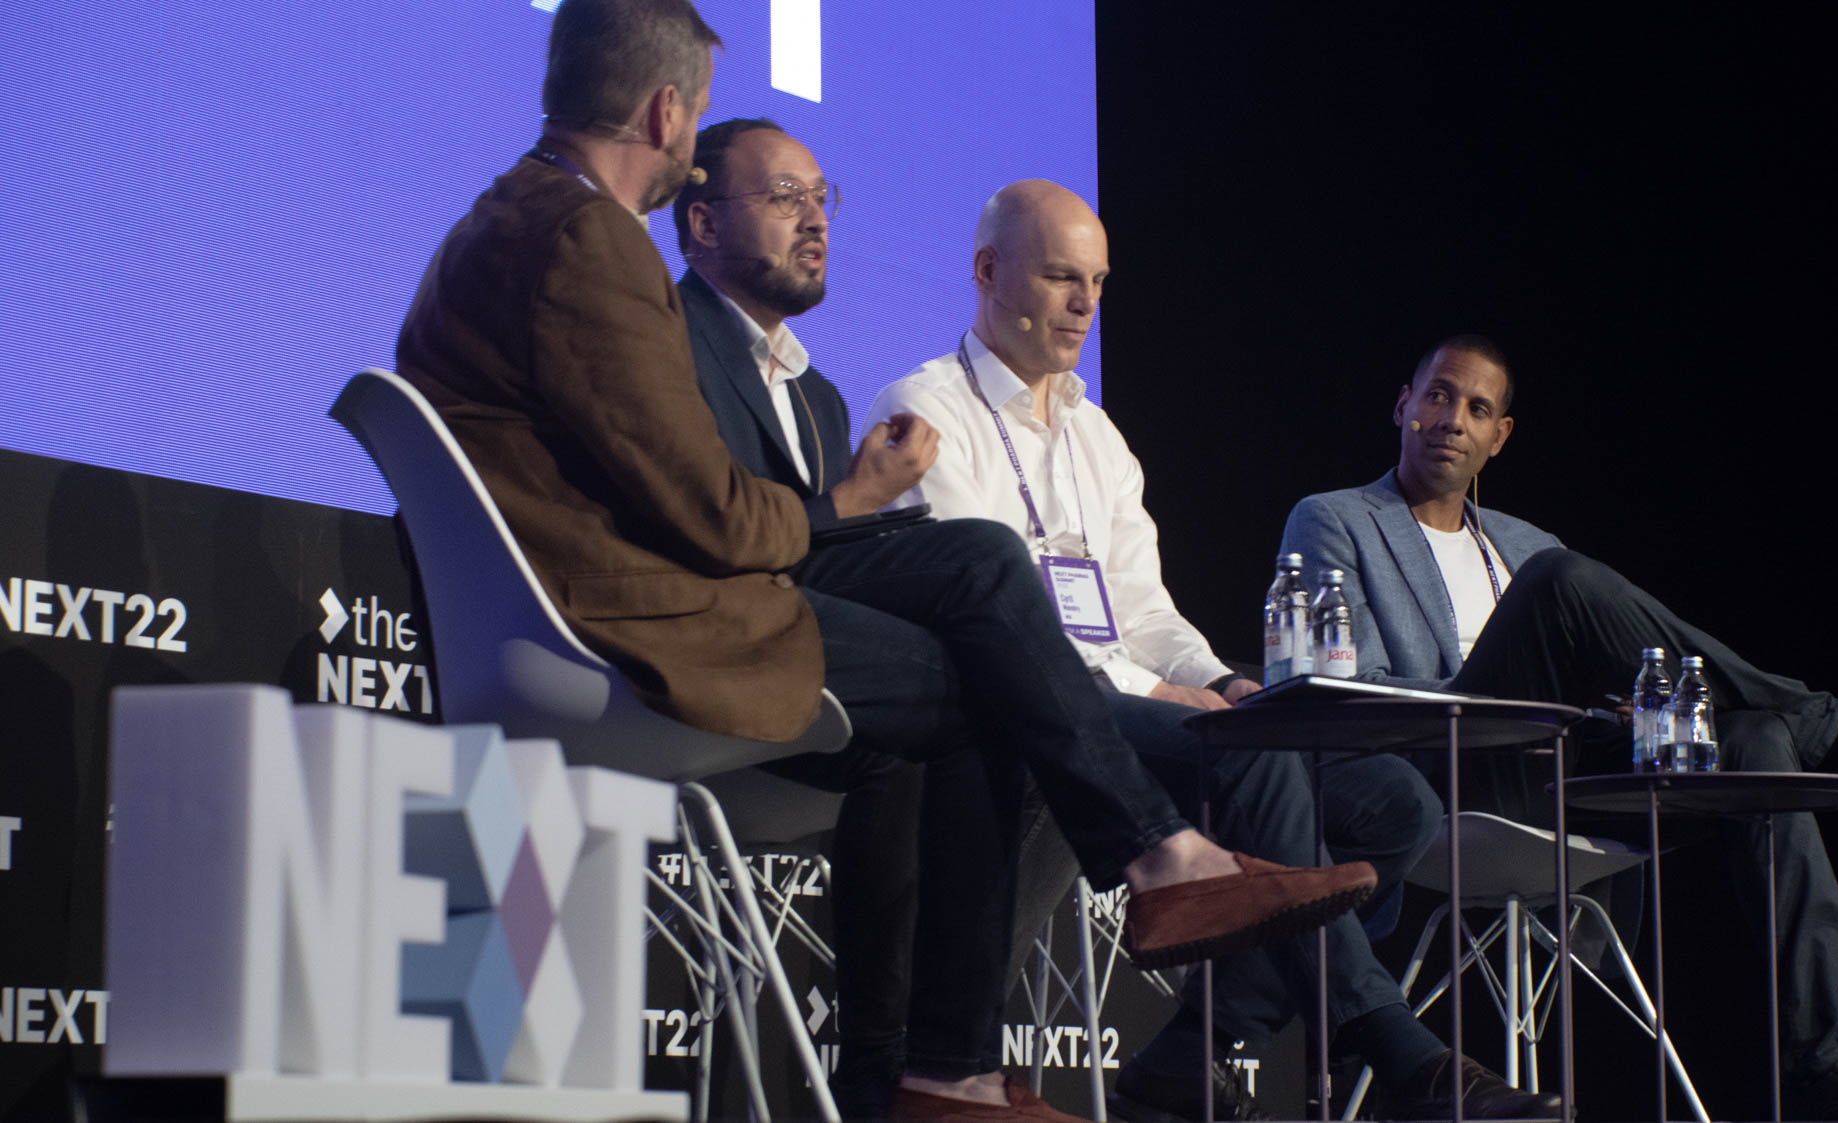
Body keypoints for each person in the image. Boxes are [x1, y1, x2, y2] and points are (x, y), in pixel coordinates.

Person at [392, 5, 1374, 1120]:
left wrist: (862, 520)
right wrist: (855, 498)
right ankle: (996, 1017)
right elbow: (707, 515)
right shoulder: (589, 239)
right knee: (989, 657)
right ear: (667, 112)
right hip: (623, 623)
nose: (692, 143)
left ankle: (1074, 946)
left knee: (977, 567)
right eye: (700, 119)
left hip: (611, 598)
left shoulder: (512, 218)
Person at [863, 180, 1563, 1122]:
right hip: (1024, 710)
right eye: (1063, 277)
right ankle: (1401, 1053)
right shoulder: (925, 408)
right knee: (1255, 764)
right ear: (988, 271)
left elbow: (1143, 608)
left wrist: (1220, 680)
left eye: (1099, 283)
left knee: (1393, 802)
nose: (1084, 304)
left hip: (1128, 700)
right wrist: (1157, 691)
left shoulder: (1095, 434)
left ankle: (1195, 1047)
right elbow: (997, 629)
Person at [1280, 334, 1838, 1123]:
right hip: (1447, 770)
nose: (1454, 418)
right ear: (1404, 405)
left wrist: (1618, 714)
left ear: (1500, 435)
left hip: (1562, 775)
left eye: (1478, 408)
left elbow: (1587, 685)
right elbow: (1353, 687)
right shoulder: (1337, 519)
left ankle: (1828, 1069)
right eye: (1439, 395)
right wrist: (1509, 682)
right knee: (1559, 583)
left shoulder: (1524, 542)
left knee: (1758, 742)